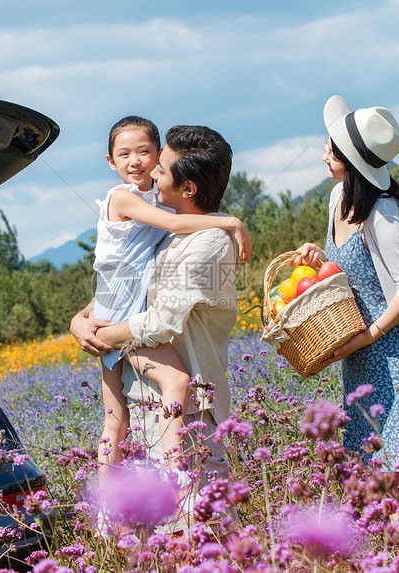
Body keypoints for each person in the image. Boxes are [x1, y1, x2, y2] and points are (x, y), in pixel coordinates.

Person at [71, 124, 239, 530]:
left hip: (192, 411)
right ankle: (107, 518)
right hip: (151, 403)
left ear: (188, 188)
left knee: (200, 531)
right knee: (163, 537)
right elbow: (125, 279)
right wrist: (81, 320)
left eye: (159, 167)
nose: (150, 172)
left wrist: (103, 336)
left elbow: (162, 321)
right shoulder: (165, 228)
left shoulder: (210, 242)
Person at [292, 95, 399, 528]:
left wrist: (372, 334)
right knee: (381, 479)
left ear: (350, 161)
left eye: (330, 149)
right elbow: (348, 268)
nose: (323, 154)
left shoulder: (382, 211)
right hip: (357, 353)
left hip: (394, 356)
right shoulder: (339, 197)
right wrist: (318, 257)